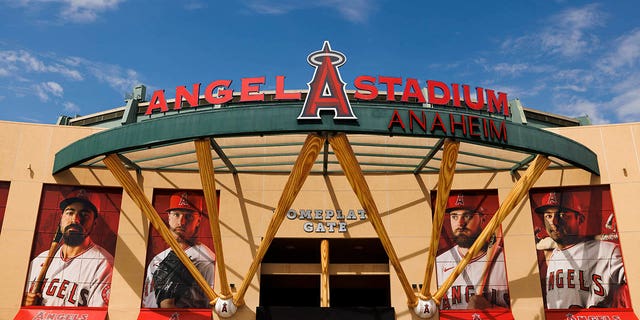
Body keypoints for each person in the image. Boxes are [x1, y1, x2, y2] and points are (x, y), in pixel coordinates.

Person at [534, 191, 628, 309]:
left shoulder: (608, 251)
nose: (553, 222)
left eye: (562, 215)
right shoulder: (553, 255)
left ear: (580, 219)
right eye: (548, 216)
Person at [24, 190, 113, 307]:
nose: (75, 220)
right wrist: (23, 303)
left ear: (94, 223)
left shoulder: (103, 264)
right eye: (70, 212)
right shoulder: (40, 260)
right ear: (61, 218)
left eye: (84, 214)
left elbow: (98, 316)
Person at [435, 194, 510, 310]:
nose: (460, 223)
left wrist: (490, 308)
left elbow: (525, 310)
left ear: (482, 219)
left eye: (467, 216)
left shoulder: (505, 260)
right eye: (454, 216)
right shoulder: (439, 263)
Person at [142, 191, 216, 308]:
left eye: (188, 216)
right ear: (169, 217)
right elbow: (146, 303)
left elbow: (212, 308)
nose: (181, 222)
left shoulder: (207, 260)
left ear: (198, 221)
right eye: (176, 214)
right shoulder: (157, 259)